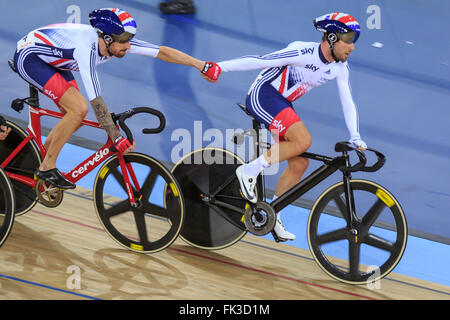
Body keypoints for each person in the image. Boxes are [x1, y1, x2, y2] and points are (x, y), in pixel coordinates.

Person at [4, 8, 220, 189]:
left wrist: (201, 64)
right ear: (106, 38)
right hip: (30, 57)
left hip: (56, 60)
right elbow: (96, 101)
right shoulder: (85, 50)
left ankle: (41, 155)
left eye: (130, 40)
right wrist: (116, 137)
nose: (128, 46)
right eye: (123, 41)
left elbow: (162, 52)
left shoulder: (115, 40)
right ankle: (46, 167)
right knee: (78, 109)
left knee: (73, 117)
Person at [216, 12, 367, 242]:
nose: (352, 47)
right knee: (303, 141)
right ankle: (247, 171)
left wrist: (355, 136)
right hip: (264, 95)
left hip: (282, 103)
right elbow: (260, 60)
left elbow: (347, 102)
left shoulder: (339, 68)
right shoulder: (302, 51)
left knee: (299, 163)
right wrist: (219, 67)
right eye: (348, 40)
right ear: (333, 38)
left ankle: (273, 214)